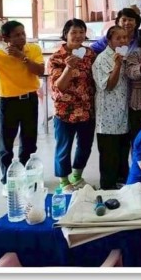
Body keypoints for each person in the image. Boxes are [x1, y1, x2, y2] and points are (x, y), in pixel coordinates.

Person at [0, 20, 45, 195]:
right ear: (6, 39)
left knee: (29, 142)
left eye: (23, 33)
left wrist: (22, 57)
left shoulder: (33, 49)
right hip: (8, 102)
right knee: (6, 145)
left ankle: (27, 178)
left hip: (29, 100)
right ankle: (8, 181)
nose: (22, 37)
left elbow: (40, 71)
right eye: (16, 35)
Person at [48, 18, 97, 192]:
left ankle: (77, 177)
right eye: (73, 32)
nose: (78, 36)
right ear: (66, 34)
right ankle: (64, 181)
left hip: (86, 109)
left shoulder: (89, 54)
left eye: (81, 32)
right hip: (65, 111)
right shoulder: (57, 57)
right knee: (64, 147)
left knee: (85, 145)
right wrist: (68, 68)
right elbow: (59, 86)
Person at [92, 26, 131, 190]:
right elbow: (108, 85)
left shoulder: (125, 56)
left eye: (125, 37)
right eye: (118, 38)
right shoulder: (102, 59)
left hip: (123, 114)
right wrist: (117, 65)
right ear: (109, 41)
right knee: (109, 157)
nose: (122, 41)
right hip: (108, 118)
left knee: (123, 155)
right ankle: (107, 189)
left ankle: (123, 187)